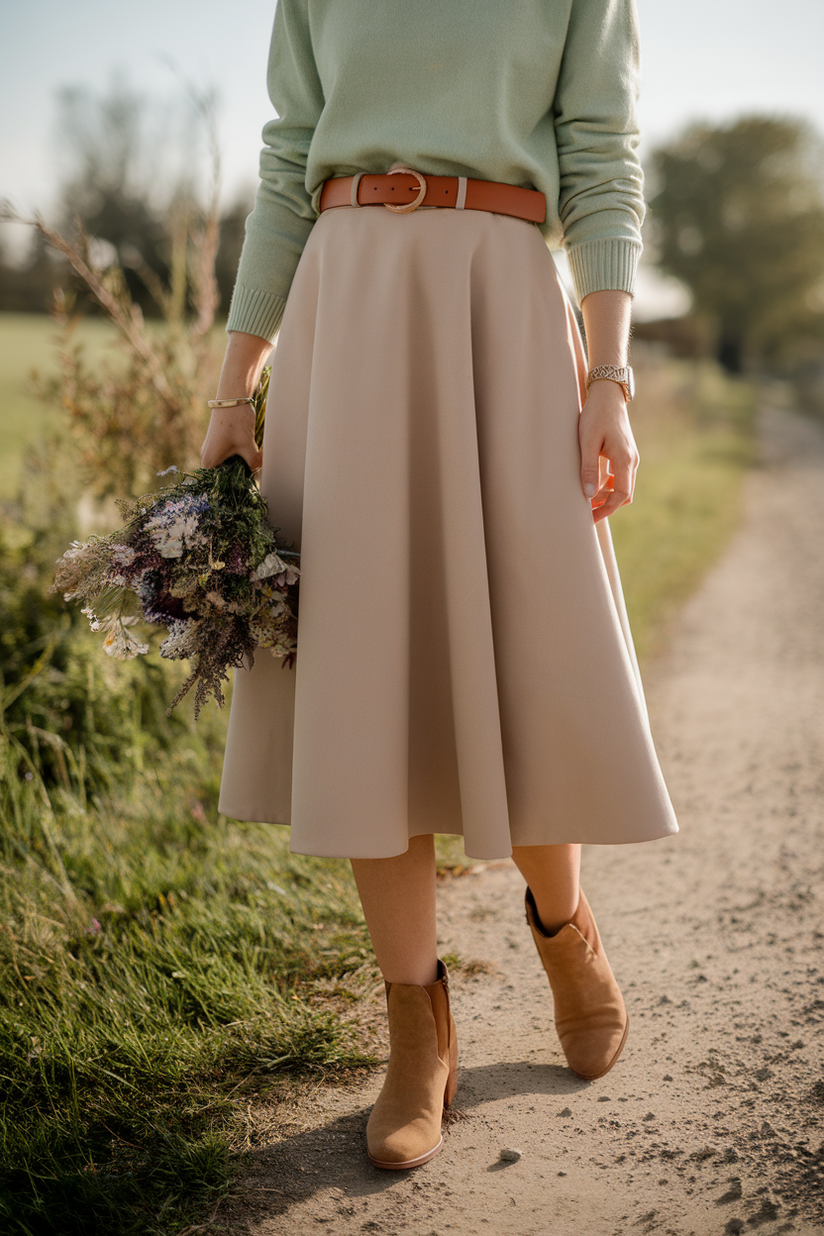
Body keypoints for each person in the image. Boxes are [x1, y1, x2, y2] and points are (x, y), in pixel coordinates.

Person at [201, 0, 678, 1172]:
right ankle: (415, 1032)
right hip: (345, 308)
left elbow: (602, 154)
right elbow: (284, 159)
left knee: (527, 647)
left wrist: (608, 376)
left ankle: (562, 929)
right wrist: (232, 386)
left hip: (503, 303)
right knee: (368, 666)